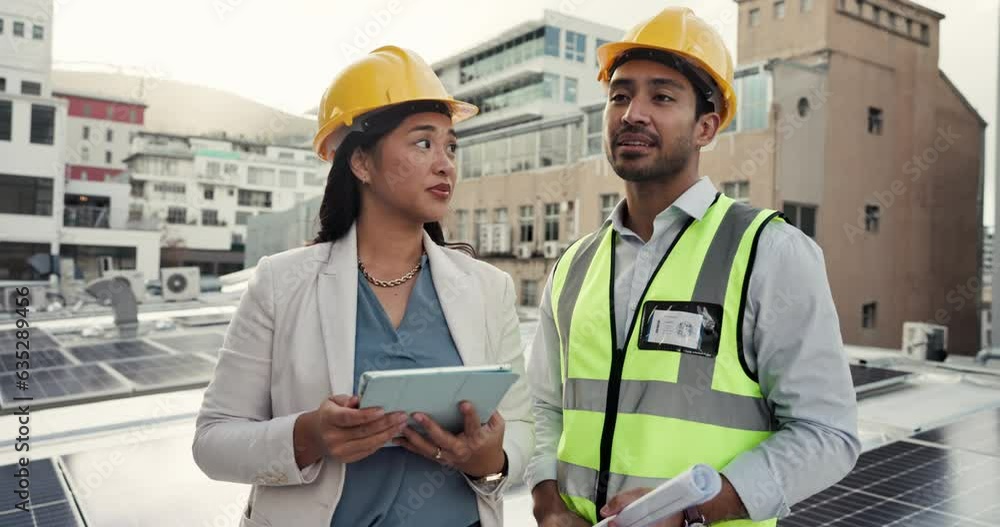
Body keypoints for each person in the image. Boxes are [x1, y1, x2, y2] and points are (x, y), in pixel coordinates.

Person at [527, 8, 859, 527]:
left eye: (661, 96)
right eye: (620, 95)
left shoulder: (769, 252)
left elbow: (827, 433)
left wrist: (692, 511)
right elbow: (543, 408)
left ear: (706, 126)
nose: (633, 113)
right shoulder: (573, 265)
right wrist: (547, 504)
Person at [192, 45, 533, 527]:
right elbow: (212, 442)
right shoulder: (280, 283)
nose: (446, 164)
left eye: (451, 146)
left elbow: (520, 428)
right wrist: (308, 436)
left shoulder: (488, 289)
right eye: (422, 143)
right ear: (361, 164)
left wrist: (488, 461)